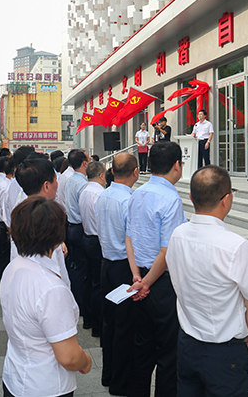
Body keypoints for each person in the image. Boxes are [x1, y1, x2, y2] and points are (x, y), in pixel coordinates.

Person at [167, 165, 248, 397]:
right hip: (224, 353)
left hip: (187, 343)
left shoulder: (177, 235)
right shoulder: (235, 246)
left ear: (191, 198)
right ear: (227, 199)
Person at [0, 197, 92, 397]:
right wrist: (85, 360)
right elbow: (68, 357)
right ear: (58, 235)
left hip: (16, 375)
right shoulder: (50, 287)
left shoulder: (13, 267)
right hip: (46, 385)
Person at [127, 141, 187, 397]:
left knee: (142, 348)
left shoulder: (137, 193)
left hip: (138, 278)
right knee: (167, 354)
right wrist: (148, 282)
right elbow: (166, 251)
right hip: (159, 285)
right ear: (176, 165)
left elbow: (128, 236)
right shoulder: (171, 198)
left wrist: (137, 276)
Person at [95, 152, 139, 396]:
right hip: (124, 267)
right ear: (136, 172)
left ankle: (108, 374)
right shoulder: (129, 200)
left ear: (112, 172)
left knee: (110, 323)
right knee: (124, 327)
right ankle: (120, 384)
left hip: (106, 265)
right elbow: (133, 238)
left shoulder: (103, 195)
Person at [13, 157, 69, 287]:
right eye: (56, 180)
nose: (57, 184)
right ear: (47, 185)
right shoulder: (37, 216)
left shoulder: (24, 210)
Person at [78, 161, 106, 338]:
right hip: (96, 241)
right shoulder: (100, 194)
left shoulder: (84, 190)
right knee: (98, 284)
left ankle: (90, 318)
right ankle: (97, 324)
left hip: (87, 237)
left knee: (89, 280)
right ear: (102, 175)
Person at [63, 149, 90, 320]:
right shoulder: (82, 184)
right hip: (80, 228)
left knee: (76, 267)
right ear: (85, 163)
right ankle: (82, 304)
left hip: (71, 227)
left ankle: (76, 299)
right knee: (83, 270)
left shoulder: (70, 180)